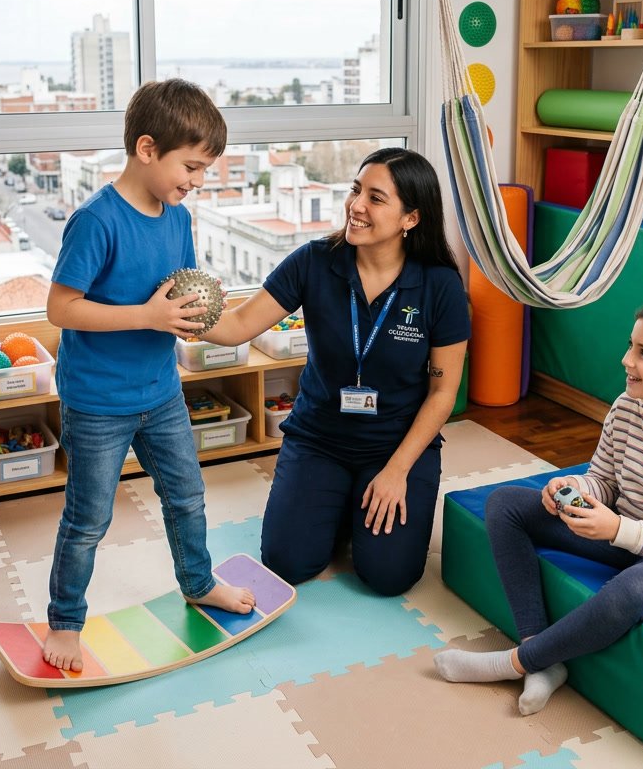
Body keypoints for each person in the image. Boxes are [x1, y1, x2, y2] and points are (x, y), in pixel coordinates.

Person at [433, 297, 643, 716]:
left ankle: (516, 663)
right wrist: (574, 487)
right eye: (630, 345)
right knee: (506, 503)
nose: (626, 360)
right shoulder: (628, 406)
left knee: (633, 588)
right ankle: (541, 655)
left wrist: (617, 530)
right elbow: (605, 479)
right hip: (628, 531)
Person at [42, 78, 256, 671]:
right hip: (97, 402)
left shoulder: (178, 219)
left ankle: (198, 582)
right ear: (146, 149)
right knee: (88, 520)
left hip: (161, 393)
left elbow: (177, 294)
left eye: (205, 169)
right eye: (191, 166)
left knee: (187, 496)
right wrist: (148, 316)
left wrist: (195, 315)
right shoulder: (96, 221)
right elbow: (61, 309)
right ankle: (65, 622)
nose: (197, 181)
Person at [201, 147, 469, 596]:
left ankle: (353, 500)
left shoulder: (439, 285)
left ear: (411, 218)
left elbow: (443, 394)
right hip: (319, 438)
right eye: (355, 190)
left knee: (388, 576)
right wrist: (181, 314)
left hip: (396, 444)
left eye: (376, 198)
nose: (356, 205)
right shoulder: (314, 261)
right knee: (287, 562)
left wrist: (397, 471)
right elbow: (239, 325)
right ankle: (340, 499)